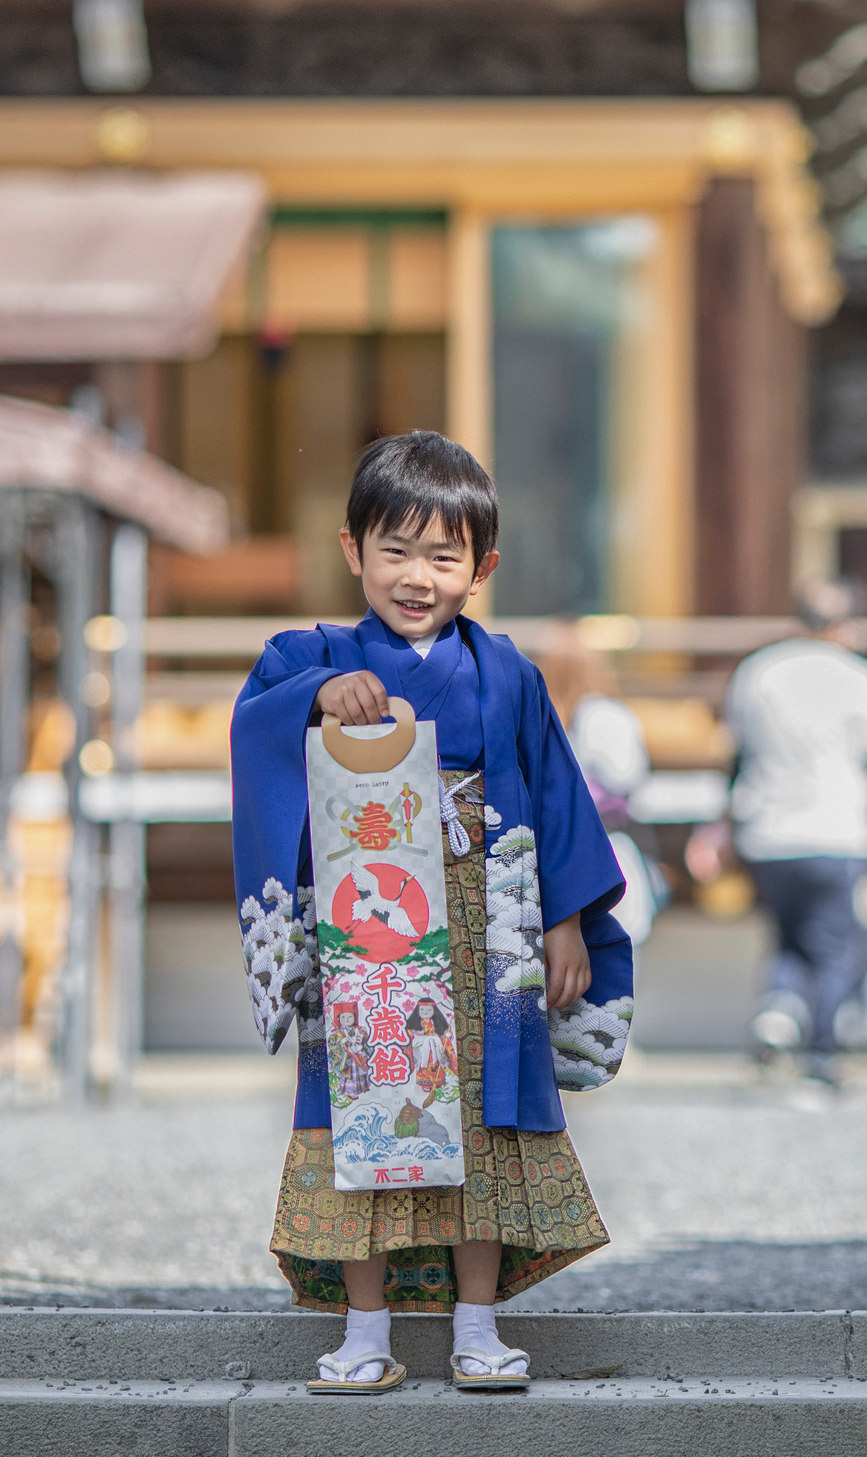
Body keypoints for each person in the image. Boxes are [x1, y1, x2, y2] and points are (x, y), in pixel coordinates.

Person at [229, 431, 632, 1393]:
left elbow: (556, 794)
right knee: (367, 1101)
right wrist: (318, 697)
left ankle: (477, 1325)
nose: (418, 576)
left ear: (482, 567)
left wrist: (567, 916)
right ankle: (365, 1330)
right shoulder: (312, 655)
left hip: (490, 922)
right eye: (396, 550)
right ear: (352, 550)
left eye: (445, 555)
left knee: (484, 1115)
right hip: (369, 928)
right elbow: (255, 724)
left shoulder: (510, 675)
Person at [719, 578, 867, 1107]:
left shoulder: (757, 671)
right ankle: (821, 1060)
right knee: (836, 949)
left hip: (768, 828)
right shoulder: (862, 677)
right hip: (837, 828)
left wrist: (722, 823)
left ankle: (778, 1015)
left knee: (787, 936)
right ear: (846, 624)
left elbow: (736, 755)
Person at [537, 620, 661, 946]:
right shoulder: (604, 714)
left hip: (553, 861)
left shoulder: (539, 718)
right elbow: (627, 779)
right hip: (609, 852)